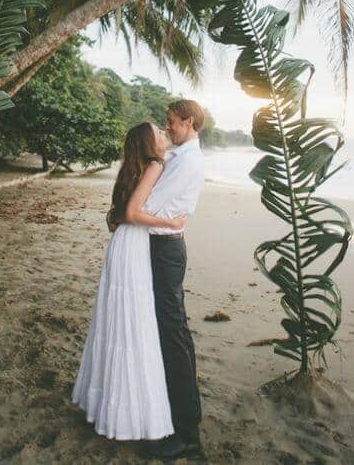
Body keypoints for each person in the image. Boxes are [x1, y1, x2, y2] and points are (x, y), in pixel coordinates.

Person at [72, 121, 186, 441]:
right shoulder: (153, 165)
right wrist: (171, 221)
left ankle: (107, 403)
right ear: (149, 143)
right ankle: (128, 411)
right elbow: (134, 213)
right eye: (159, 133)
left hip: (123, 244)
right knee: (133, 323)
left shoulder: (132, 167)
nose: (164, 135)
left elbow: (119, 214)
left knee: (118, 321)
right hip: (133, 244)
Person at [142, 99, 205, 461]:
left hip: (166, 251)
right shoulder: (180, 157)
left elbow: (150, 207)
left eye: (172, 123)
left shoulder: (189, 161)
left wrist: (126, 211)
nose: (167, 128)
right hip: (159, 246)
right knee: (169, 333)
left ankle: (187, 433)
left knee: (174, 334)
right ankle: (180, 418)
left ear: (190, 122)